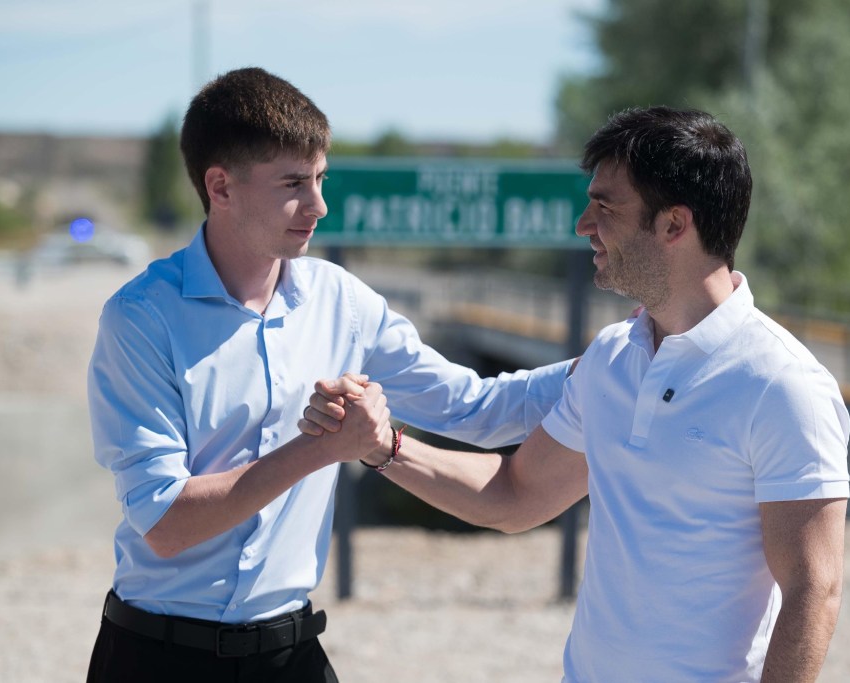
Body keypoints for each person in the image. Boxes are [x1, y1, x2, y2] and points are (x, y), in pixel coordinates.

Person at [305, 106, 850, 682]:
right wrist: (383, 447)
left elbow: (814, 590)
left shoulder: (784, 385)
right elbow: (516, 495)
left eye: (605, 206)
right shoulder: (612, 357)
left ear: (674, 225)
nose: (582, 223)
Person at [84, 66, 572, 683]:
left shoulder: (342, 301)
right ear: (221, 186)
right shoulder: (141, 319)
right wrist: (323, 450)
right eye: (293, 183)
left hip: (292, 657)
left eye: (320, 178)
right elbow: (164, 525)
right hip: (155, 660)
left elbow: (474, 410)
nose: (318, 205)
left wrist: (610, 363)